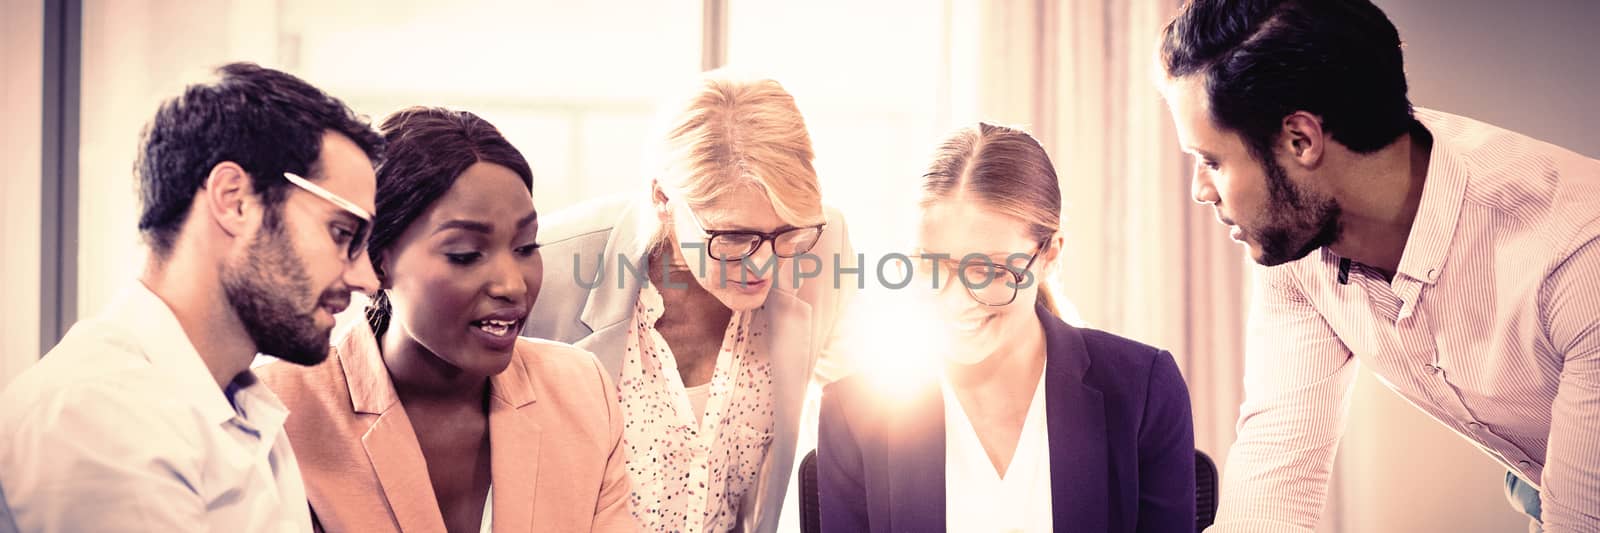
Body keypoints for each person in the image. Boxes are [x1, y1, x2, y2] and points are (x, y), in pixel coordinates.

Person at [1155, 1, 1600, 530]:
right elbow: (1278, 464)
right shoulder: (1296, 240)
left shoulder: (1578, 255)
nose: (1199, 192)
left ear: (1302, 140)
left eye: (1212, 161)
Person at [0, 63, 382, 532]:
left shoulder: (239, 403)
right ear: (235, 200)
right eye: (343, 232)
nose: (366, 278)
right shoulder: (101, 420)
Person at [257, 107, 633, 532]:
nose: (512, 284)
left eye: (526, 247)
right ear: (377, 260)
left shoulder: (580, 389)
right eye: (466, 255)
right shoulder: (278, 408)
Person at [817, 123, 1196, 532]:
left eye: (989, 270)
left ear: (1049, 256)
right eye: (932, 265)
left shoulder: (1142, 391)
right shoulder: (854, 410)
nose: (957, 300)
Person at [521, 72, 857, 532]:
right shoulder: (549, 265)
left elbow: (867, 403)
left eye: (784, 234)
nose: (765, 265)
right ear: (663, 198)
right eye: (734, 237)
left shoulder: (819, 243)